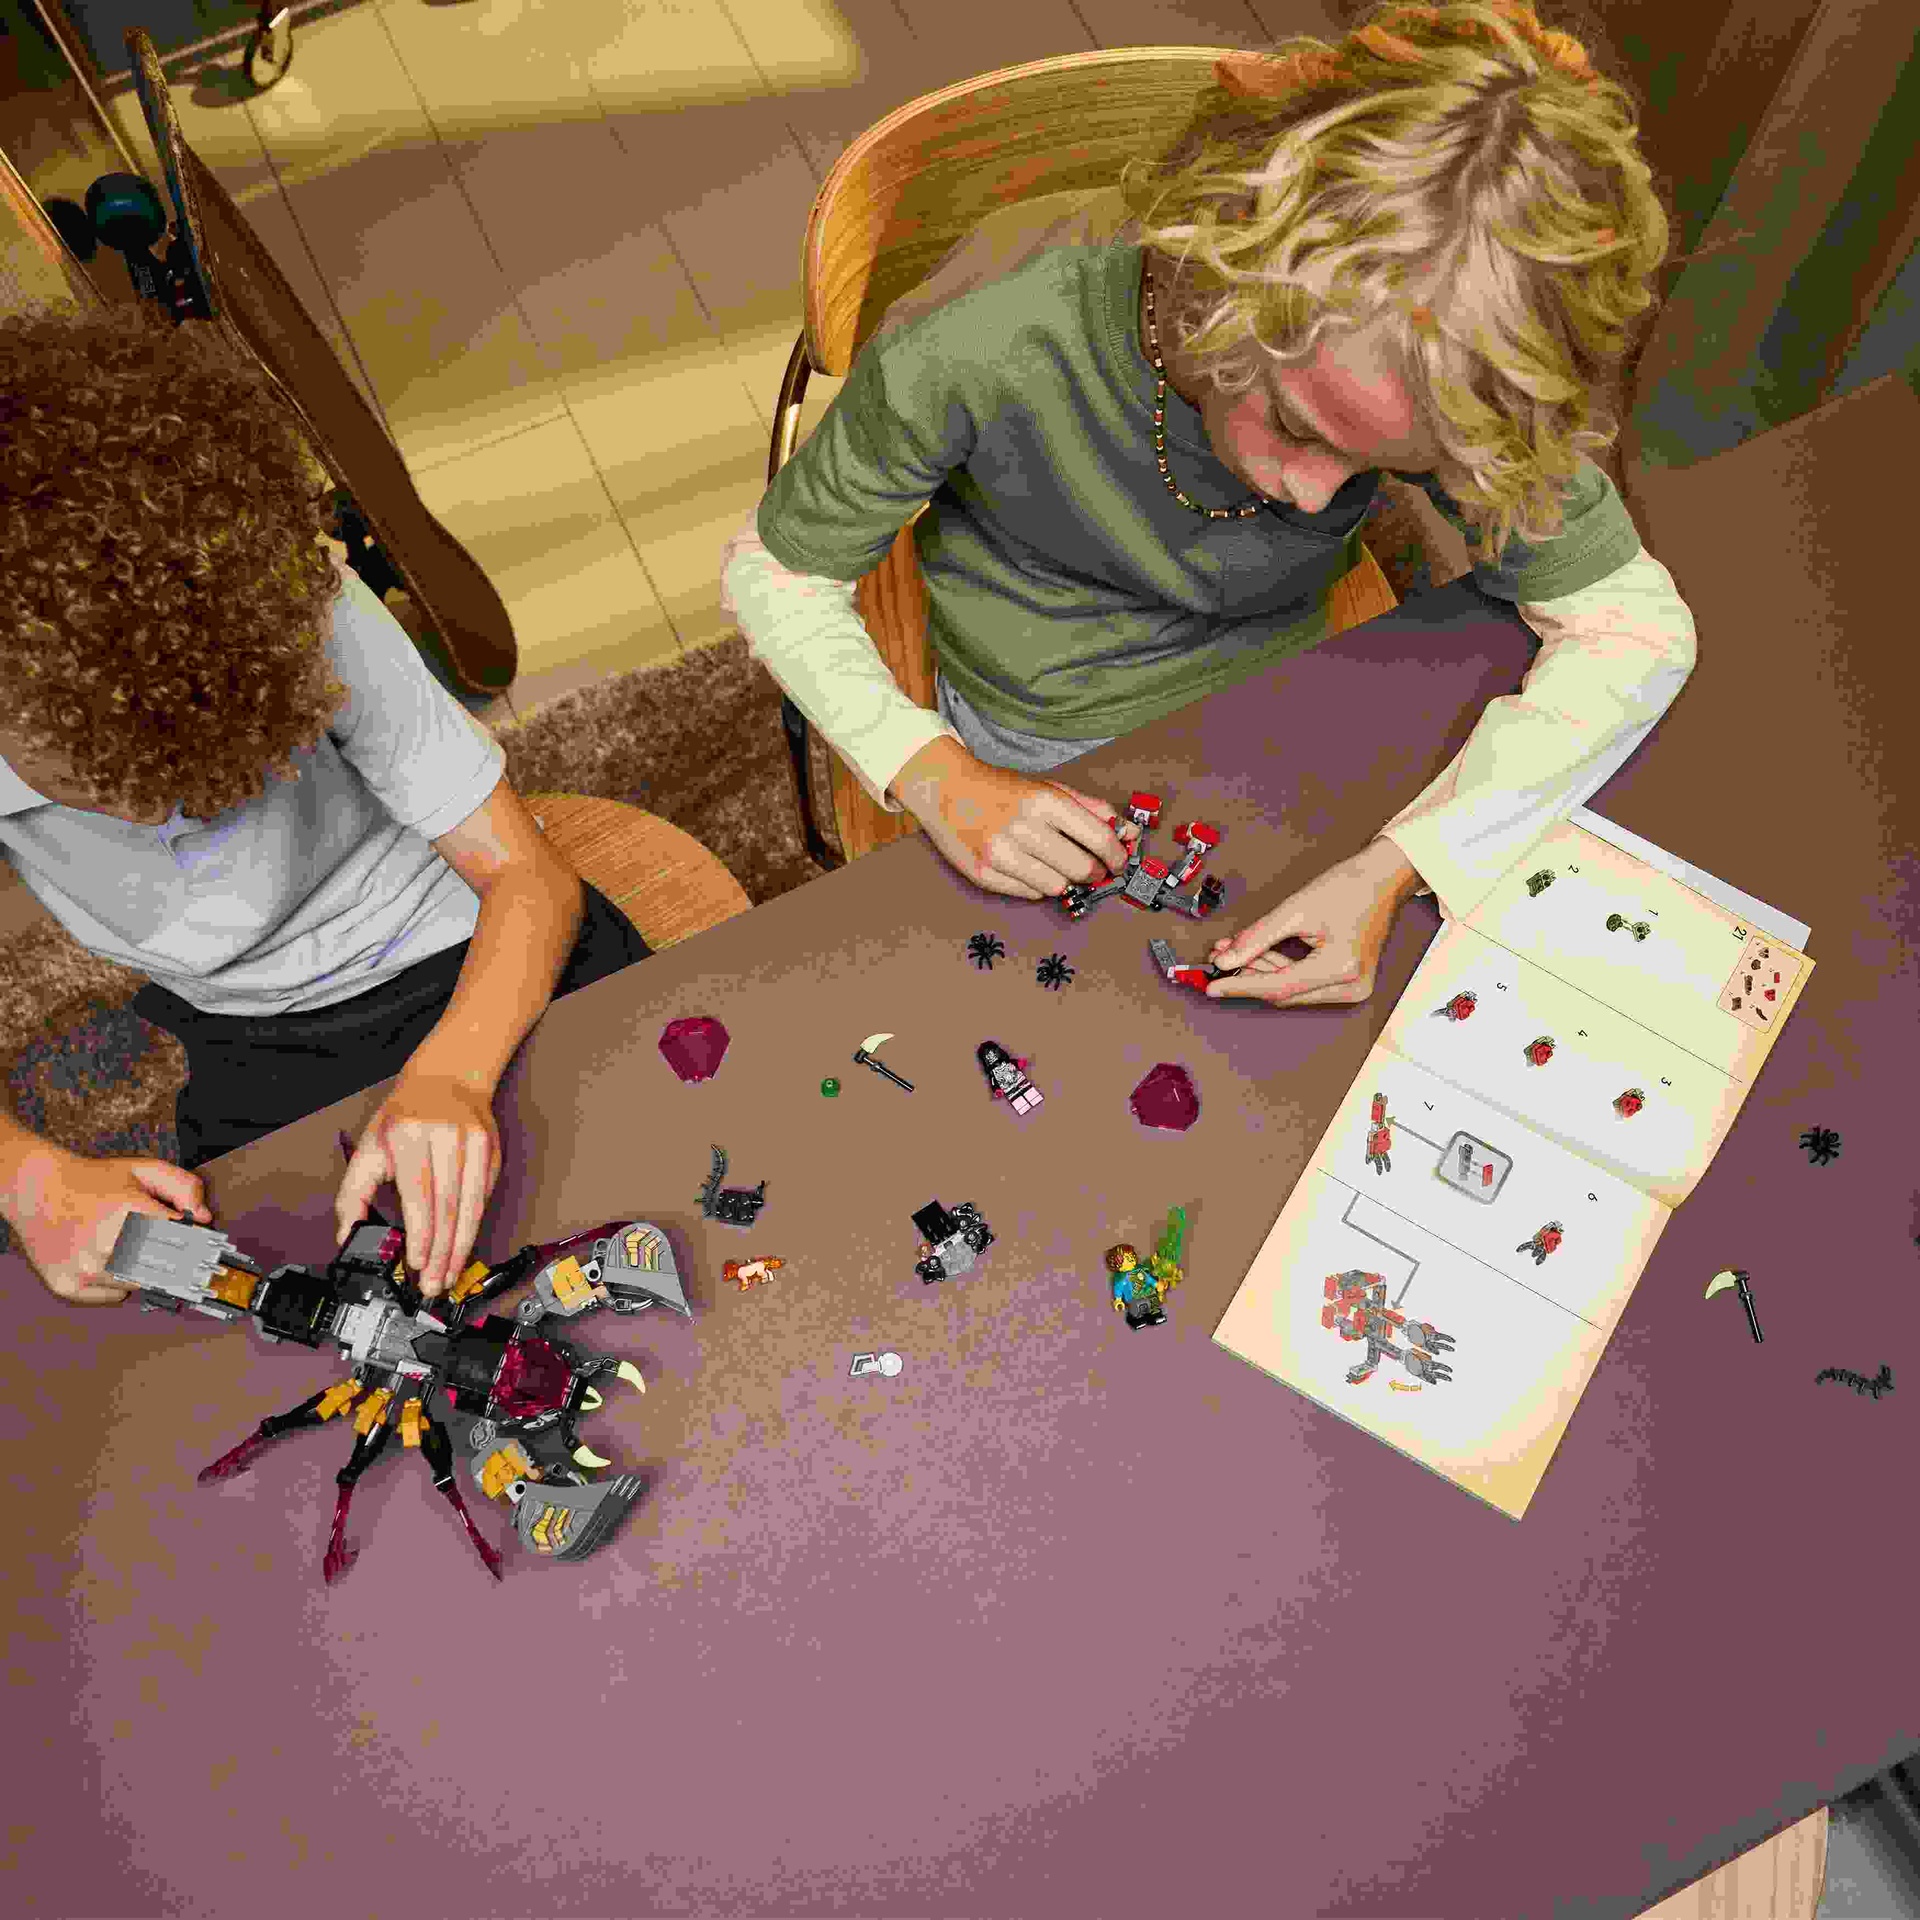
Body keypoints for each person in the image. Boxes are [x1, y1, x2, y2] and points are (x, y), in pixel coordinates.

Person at [722, 0, 1696, 1001]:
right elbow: (774, 572)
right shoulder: (984, 342)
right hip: (1048, 725)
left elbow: (1636, 626)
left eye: (1384, 464)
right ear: (1223, 292)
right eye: (1299, 427)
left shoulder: (1427, 345)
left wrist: (1401, 865)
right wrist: (931, 770)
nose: (1317, 497)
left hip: (1298, 684)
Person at [0, 300, 654, 1310]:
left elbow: (526, 876)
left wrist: (455, 1071)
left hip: (466, 945)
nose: (176, 815)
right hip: (249, 1039)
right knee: (269, 1320)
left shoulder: (276, 594)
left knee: (659, 1168)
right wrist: (29, 1179)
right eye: (107, 786)